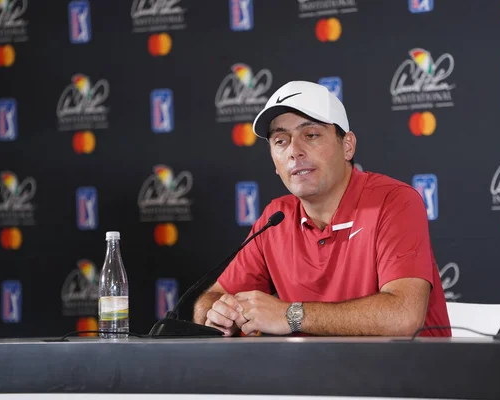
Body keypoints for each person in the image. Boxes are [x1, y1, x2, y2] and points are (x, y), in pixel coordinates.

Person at [193, 80, 451, 337]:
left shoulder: (394, 201)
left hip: (405, 374)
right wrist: (216, 315)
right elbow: (213, 297)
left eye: (311, 135)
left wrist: (289, 315)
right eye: (281, 141)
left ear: (347, 145)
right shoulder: (276, 218)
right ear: (274, 161)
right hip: (317, 375)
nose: (294, 151)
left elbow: (403, 316)